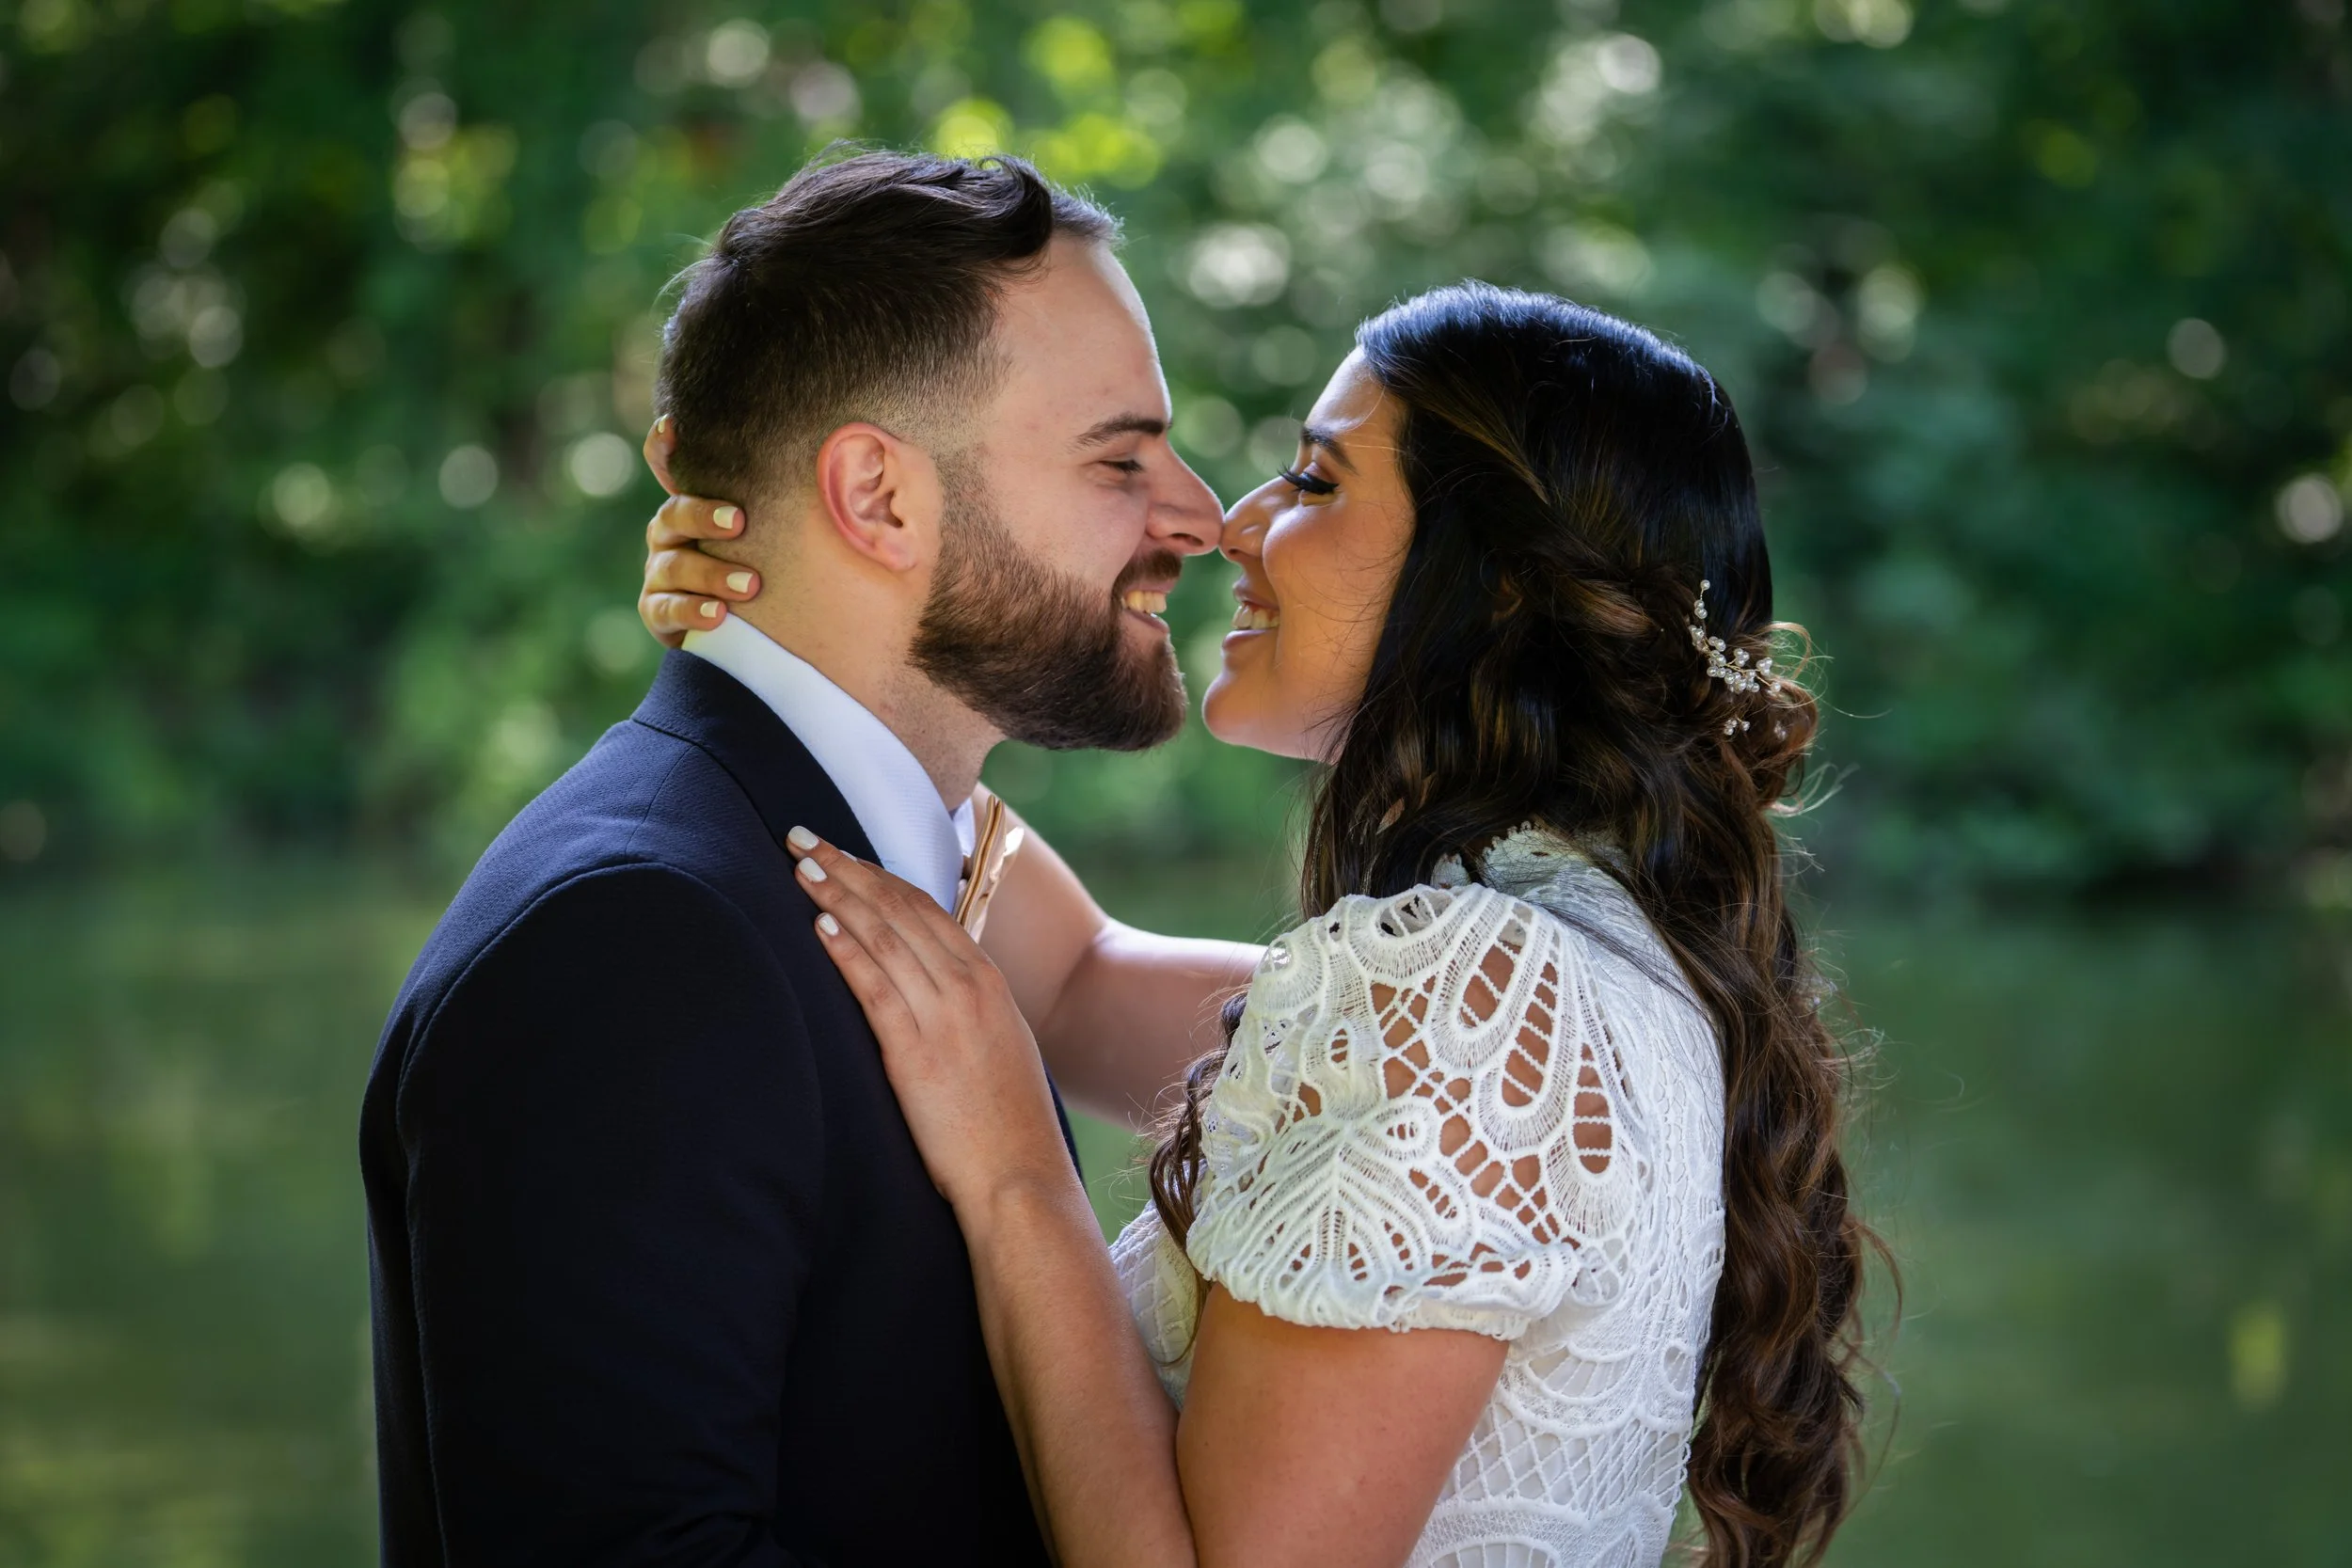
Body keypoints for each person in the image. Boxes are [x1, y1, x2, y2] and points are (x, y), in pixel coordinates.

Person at [642, 283, 1884, 1566]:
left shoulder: (1468, 991)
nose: (1234, 524)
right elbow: (1070, 982)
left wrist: (1018, 1177)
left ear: (1500, 587)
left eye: (1315, 480)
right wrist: (812, 635)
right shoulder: (1592, 966)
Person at [360, 150, 1266, 1566]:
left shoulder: (892, 863)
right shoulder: (633, 944)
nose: (1201, 513)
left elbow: (1093, 983)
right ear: (879, 499)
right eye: (1120, 456)